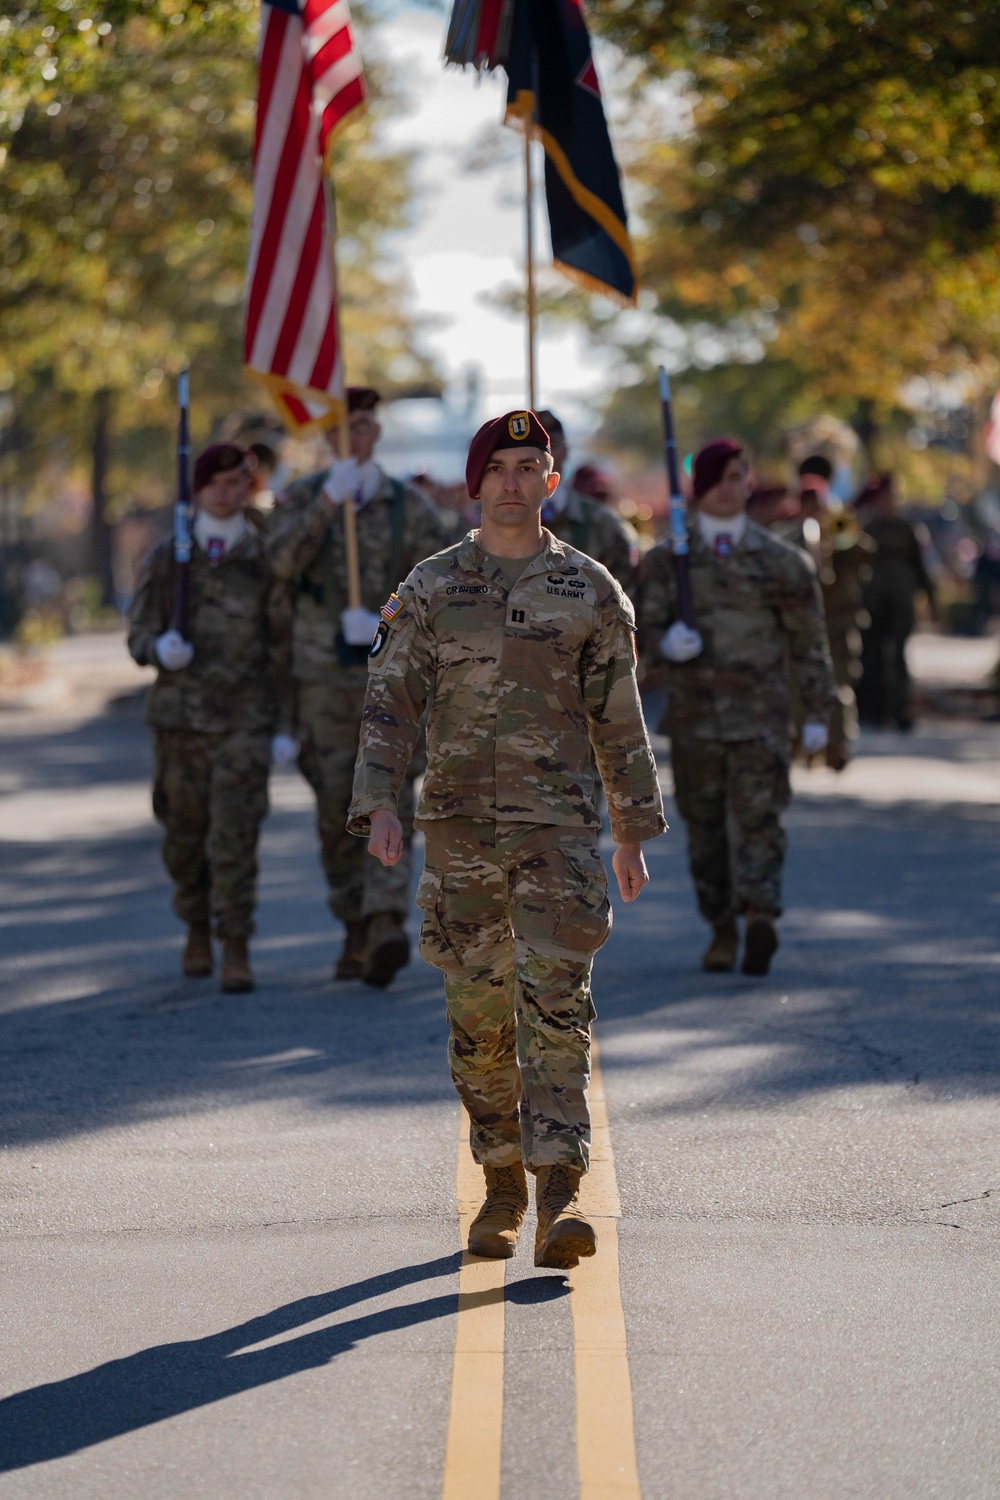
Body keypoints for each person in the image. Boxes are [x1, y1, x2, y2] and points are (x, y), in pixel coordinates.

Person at [348, 410, 665, 1268]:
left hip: (559, 832)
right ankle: (500, 1184)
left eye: (531, 465)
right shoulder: (429, 589)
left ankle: (562, 1195)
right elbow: (389, 702)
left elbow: (620, 721)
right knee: (480, 1020)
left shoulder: (591, 590)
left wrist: (633, 827)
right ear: (474, 483)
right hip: (458, 834)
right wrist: (379, 801)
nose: (515, 481)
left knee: (557, 1011)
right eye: (500, 466)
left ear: (551, 482)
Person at [267, 386, 448, 987]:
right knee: (332, 811)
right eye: (346, 426)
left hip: (392, 678)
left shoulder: (409, 506)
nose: (358, 435)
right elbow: (278, 566)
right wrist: (326, 505)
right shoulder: (299, 498)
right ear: (328, 436)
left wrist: (388, 616)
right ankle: (352, 924)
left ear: (377, 433)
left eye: (368, 425)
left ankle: (384, 922)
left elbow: (440, 587)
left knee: (389, 797)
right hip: (321, 680)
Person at [638, 439, 836, 977]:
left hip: (761, 717)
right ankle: (721, 924)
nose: (735, 485)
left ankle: (760, 915)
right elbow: (640, 631)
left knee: (759, 819)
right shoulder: (667, 560)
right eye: (723, 477)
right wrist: (663, 644)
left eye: (740, 475)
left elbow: (809, 643)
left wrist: (818, 715)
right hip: (696, 717)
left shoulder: (782, 562)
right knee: (705, 828)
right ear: (702, 486)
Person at [127, 443, 291, 993]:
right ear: (196, 491)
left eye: (235, 483)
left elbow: (282, 645)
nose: (226, 492)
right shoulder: (166, 557)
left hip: (244, 721)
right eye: (215, 483)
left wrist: (286, 724)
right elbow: (138, 633)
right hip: (178, 722)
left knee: (235, 837)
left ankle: (235, 944)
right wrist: (158, 648)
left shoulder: (265, 558)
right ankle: (196, 925)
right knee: (183, 836)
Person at [777, 454, 875, 770]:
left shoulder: (841, 525)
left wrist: (841, 535)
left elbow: (866, 557)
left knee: (840, 683)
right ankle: (797, 744)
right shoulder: (785, 534)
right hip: (798, 622)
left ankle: (838, 746)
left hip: (837, 619)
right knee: (795, 682)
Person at [855, 473, 937, 730]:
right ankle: (873, 710)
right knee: (872, 657)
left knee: (898, 657)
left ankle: (900, 709)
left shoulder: (907, 527)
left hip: (900, 602)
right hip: (872, 603)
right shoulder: (867, 527)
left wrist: (931, 600)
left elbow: (920, 566)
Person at [533, 409, 638, 592]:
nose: (541, 456)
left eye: (551, 445)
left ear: (566, 451)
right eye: (532, 448)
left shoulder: (601, 522)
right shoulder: (486, 519)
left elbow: (624, 594)